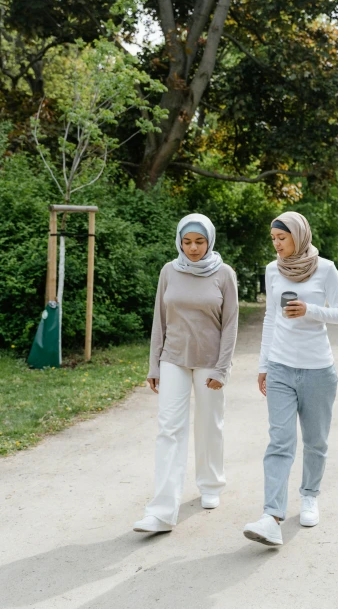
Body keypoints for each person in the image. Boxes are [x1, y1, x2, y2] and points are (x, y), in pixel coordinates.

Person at [243, 211, 338, 546]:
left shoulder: (326, 268)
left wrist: (310, 310)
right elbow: (270, 320)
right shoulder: (273, 270)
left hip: (318, 369)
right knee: (280, 441)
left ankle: (309, 496)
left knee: (315, 440)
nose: (276, 245)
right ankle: (271, 516)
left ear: (299, 236)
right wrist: (263, 366)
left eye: (282, 238)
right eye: (273, 239)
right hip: (280, 368)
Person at [133, 213, 239, 534]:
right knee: (169, 429)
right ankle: (162, 511)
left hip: (209, 361)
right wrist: (155, 363)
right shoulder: (169, 271)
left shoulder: (224, 274)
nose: (193, 248)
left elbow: (231, 324)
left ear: (210, 241)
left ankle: (210, 484)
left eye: (199, 241)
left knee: (209, 424)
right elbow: (159, 320)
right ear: (179, 240)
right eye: (187, 241)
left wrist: (223, 368)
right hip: (173, 359)